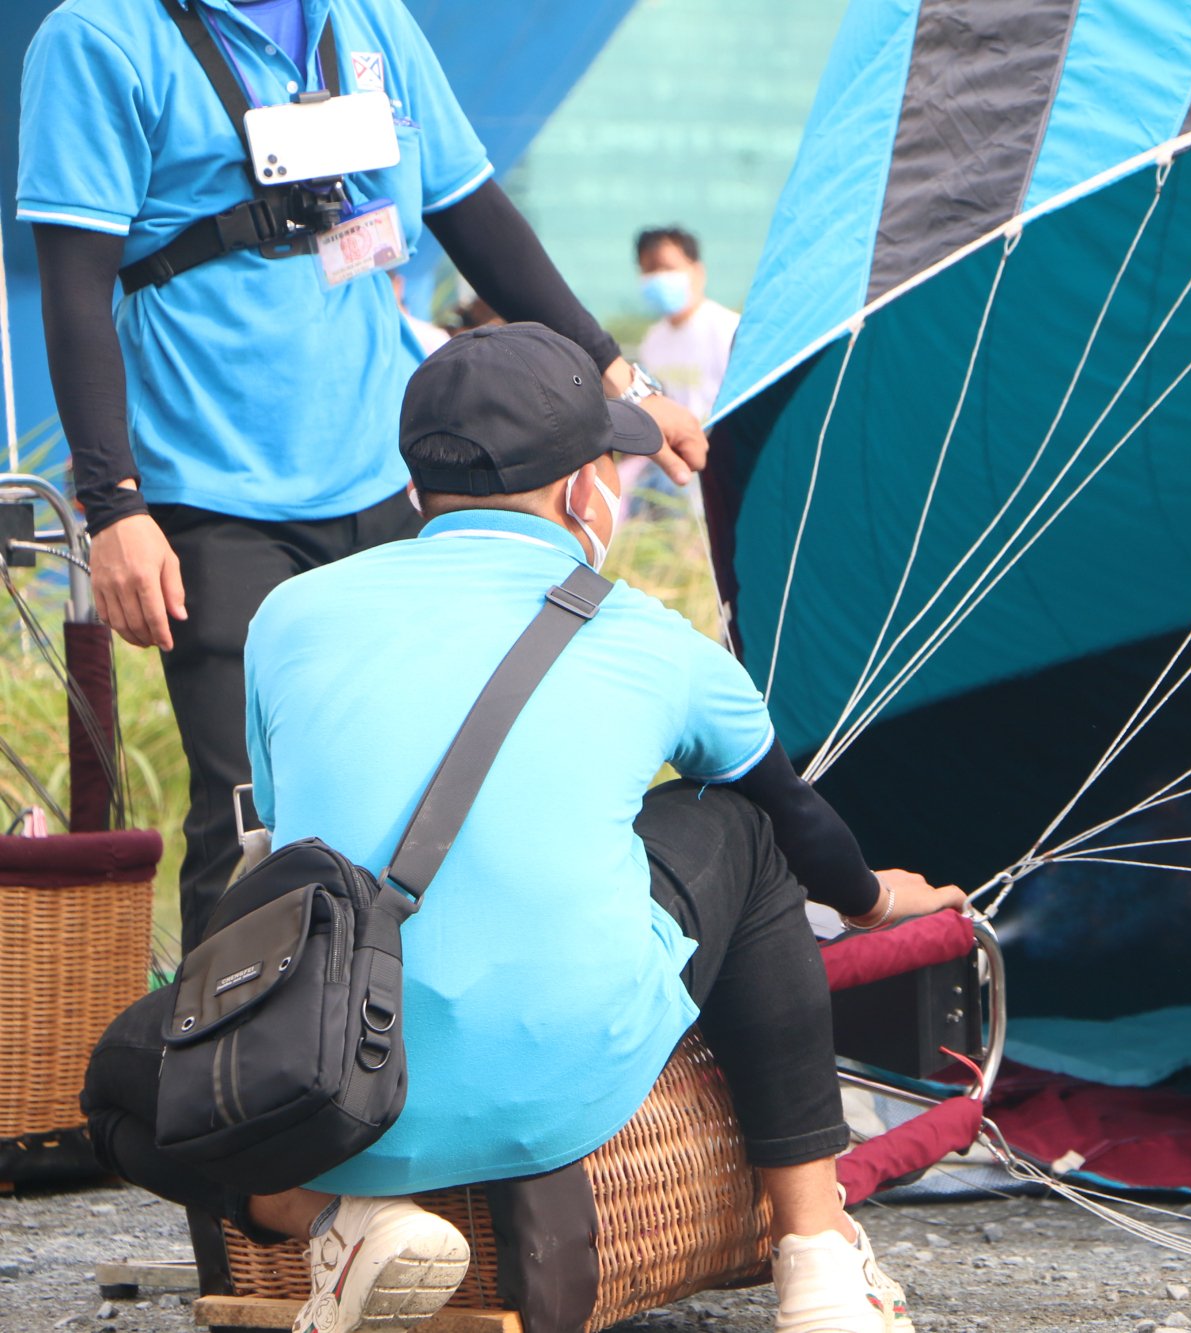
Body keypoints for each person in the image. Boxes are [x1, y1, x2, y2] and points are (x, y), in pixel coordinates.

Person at [80, 323, 969, 1333]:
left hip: (327, 1086)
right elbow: (795, 817)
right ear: (583, 490)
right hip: (564, 1088)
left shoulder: (291, 614)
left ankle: (332, 1214)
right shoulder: (649, 639)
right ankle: (815, 1260)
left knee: (115, 1084)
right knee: (741, 826)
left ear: (419, 487)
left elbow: (299, 846)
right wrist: (872, 897)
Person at [18, 0, 705, 953]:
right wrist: (115, 508)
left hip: (386, 484)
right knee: (251, 821)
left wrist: (620, 374)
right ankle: (221, 1090)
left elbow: (475, 216)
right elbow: (74, 291)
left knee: (426, 792)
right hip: (211, 499)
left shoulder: (370, 17)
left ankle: (388, 1064)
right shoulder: (99, 36)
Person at [635, 224, 738, 421]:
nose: (659, 277)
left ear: (698, 271)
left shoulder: (730, 330)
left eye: (668, 268)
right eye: (649, 269)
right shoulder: (652, 341)